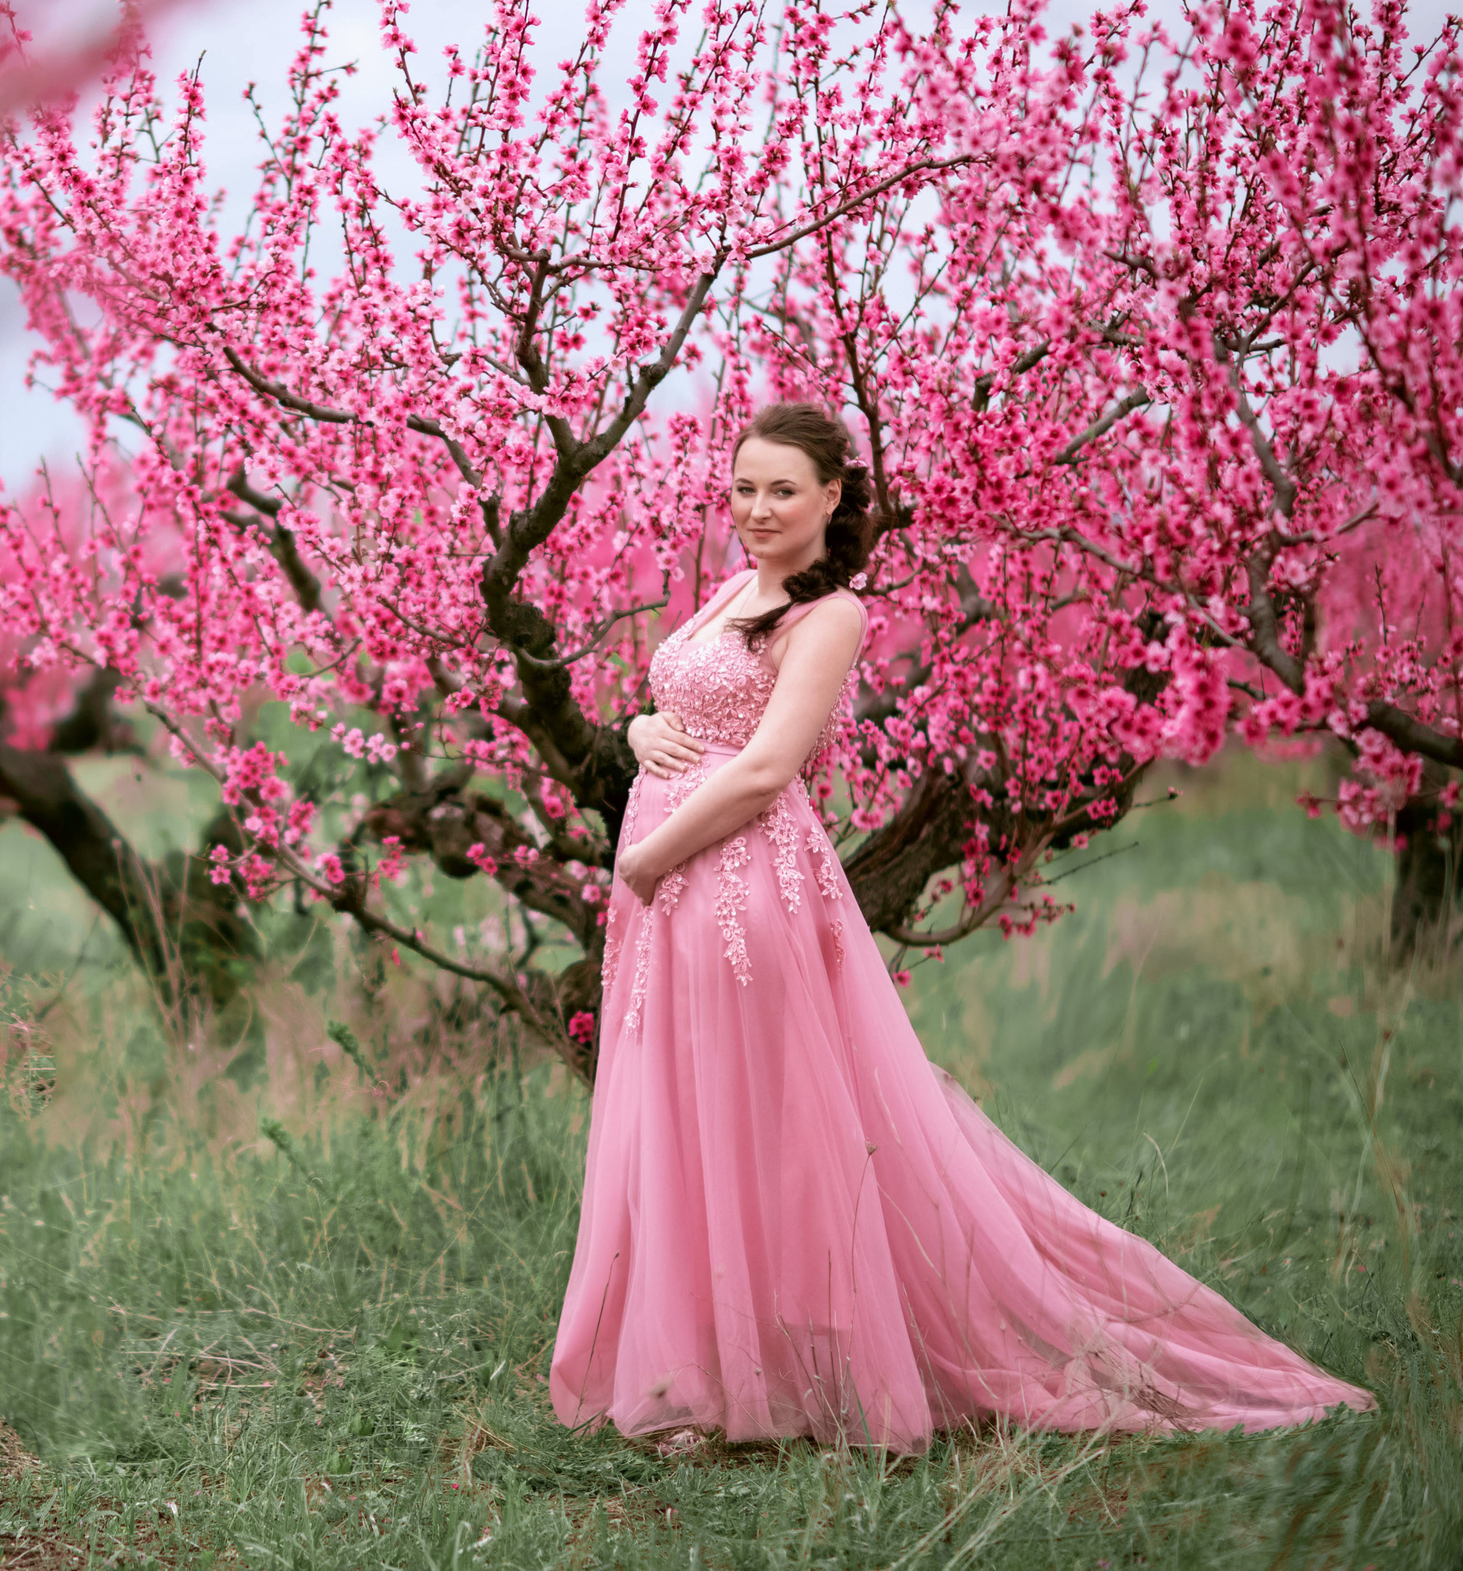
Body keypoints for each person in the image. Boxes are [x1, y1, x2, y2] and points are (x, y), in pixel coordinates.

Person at [548, 401, 1371, 1454]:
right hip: (666, 887)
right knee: (689, 1107)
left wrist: (651, 856)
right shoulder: (728, 593)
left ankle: (765, 1381)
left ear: (832, 498)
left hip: (734, 882)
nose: (757, 509)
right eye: (745, 486)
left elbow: (766, 766)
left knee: (761, 1119)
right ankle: (697, 1364)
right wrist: (636, 725)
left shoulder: (827, 615)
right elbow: (686, 704)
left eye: (783, 490)